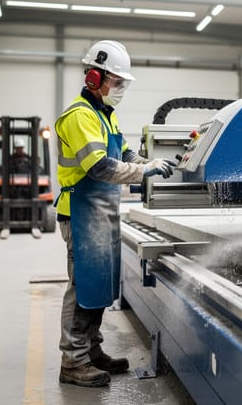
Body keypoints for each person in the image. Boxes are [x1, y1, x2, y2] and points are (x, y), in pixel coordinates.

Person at [53, 39, 175, 387]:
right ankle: (72, 361)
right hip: (79, 211)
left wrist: (149, 163)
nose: (119, 89)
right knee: (82, 288)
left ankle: (91, 351)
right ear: (94, 77)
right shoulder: (79, 116)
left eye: (122, 83)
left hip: (101, 211)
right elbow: (100, 167)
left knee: (99, 286)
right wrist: (142, 172)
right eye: (116, 81)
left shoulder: (105, 116)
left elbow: (123, 155)